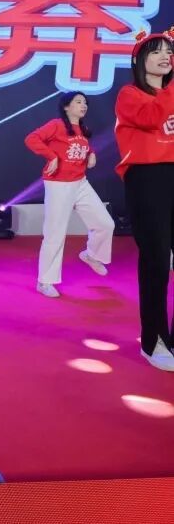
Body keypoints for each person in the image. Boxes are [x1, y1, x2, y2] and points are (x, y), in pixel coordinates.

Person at [115, 27, 174, 371]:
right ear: (139, 61)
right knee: (156, 261)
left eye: (169, 51)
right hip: (148, 178)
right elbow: (152, 119)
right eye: (157, 52)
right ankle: (154, 341)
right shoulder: (130, 94)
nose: (166, 57)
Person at [25, 92, 114, 298]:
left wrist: (92, 153)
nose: (84, 105)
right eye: (78, 102)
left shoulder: (83, 129)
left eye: (85, 103)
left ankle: (91, 255)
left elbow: (83, 147)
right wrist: (51, 156)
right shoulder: (56, 125)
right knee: (55, 234)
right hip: (58, 184)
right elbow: (31, 139)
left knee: (105, 223)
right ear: (66, 106)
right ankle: (45, 281)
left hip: (80, 183)